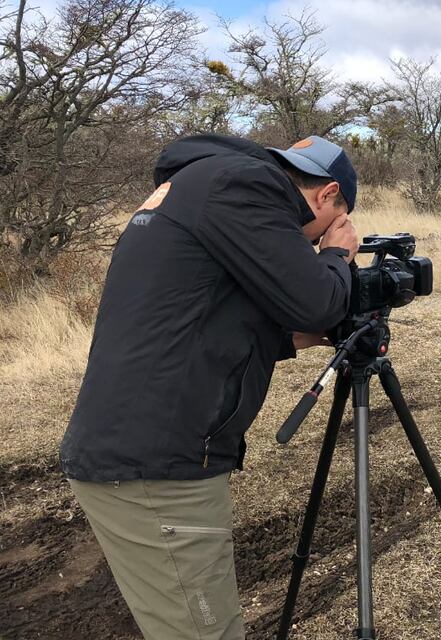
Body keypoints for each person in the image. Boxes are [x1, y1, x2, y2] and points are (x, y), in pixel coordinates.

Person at [59, 134, 360, 639]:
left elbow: (203, 321)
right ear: (327, 194)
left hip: (136, 449)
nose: (307, 243)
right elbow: (316, 302)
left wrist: (296, 337)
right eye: (327, 225)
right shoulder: (247, 185)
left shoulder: (202, 186)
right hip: (157, 467)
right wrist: (337, 255)